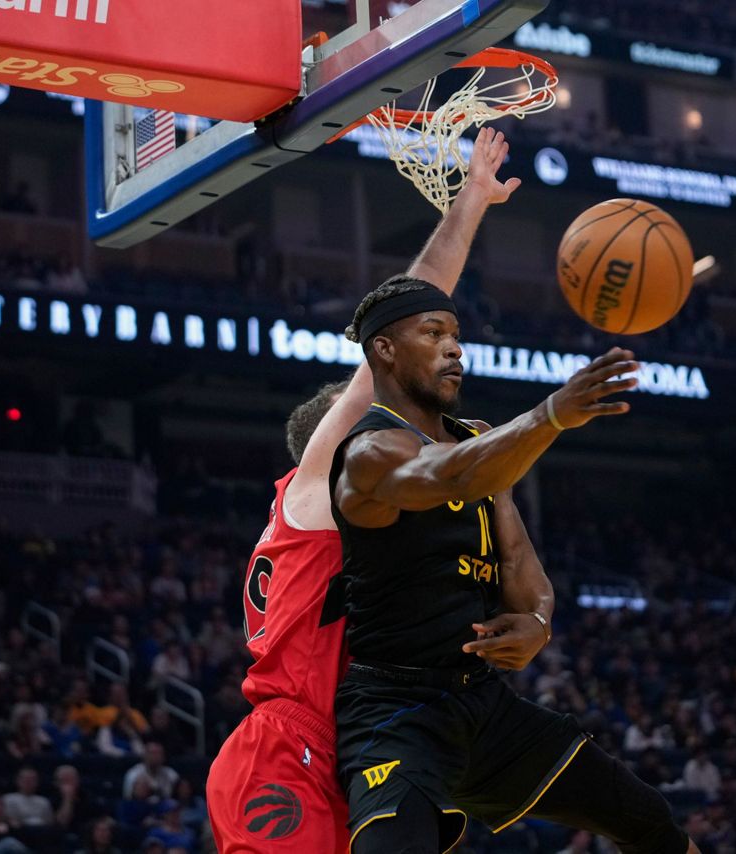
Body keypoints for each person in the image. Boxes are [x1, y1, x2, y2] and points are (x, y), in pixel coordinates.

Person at [205, 127, 521, 853]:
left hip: (363, 746)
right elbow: (406, 313)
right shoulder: (320, 480)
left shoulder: (368, 526)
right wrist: (471, 201)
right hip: (286, 747)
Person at [329, 279, 696, 849]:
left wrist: (538, 623)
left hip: (484, 702)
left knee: (648, 818)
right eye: (434, 333)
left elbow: (520, 563)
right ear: (385, 348)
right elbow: (452, 475)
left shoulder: (476, 439)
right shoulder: (370, 451)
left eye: (456, 335)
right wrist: (549, 415)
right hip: (396, 710)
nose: (455, 349)